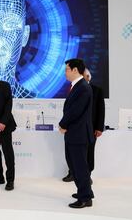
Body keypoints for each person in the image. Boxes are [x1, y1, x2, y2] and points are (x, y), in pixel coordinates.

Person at [59, 58, 94, 208]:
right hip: (74, 133)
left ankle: (85, 198)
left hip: (78, 134)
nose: (65, 72)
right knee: (75, 166)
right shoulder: (77, 86)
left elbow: (75, 111)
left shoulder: (83, 87)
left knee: (79, 167)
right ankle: (85, 191)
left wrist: (63, 124)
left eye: (67, 69)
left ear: (75, 70)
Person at [62, 68, 105, 183]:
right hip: (74, 128)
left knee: (89, 153)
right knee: (72, 152)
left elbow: (101, 110)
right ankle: (72, 173)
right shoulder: (73, 89)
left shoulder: (97, 90)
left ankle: (87, 175)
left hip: (90, 128)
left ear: (88, 77)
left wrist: (99, 128)